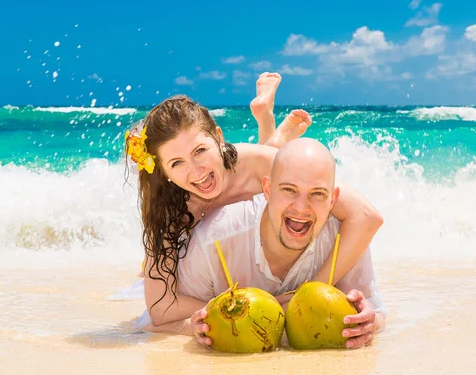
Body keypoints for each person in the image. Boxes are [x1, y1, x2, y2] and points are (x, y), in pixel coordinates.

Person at [126, 73, 384, 330]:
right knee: (151, 272)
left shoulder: (258, 163)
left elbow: (367, 216)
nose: (196, 171)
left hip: (250, 169)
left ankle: (268, 122)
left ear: (218, 137)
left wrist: (311, 289)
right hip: (205, 265)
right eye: (176, 163)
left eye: (200, 151)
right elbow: (160, 307)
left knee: (279, 169)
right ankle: (268, 122)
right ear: (163, 171)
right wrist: (251, 305)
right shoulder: (170, 210)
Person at [138, 138, 386, 349]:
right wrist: (192, 327)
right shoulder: (212, 243)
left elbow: (376, 313)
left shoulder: (343, 236)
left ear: (333, 200)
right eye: (289, 190)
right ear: (266, 189)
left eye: (318, 194)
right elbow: (153, 321)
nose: (301, 208)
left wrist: (369, 323)